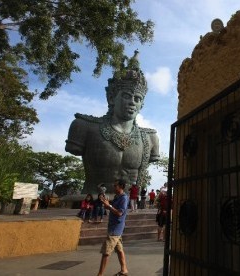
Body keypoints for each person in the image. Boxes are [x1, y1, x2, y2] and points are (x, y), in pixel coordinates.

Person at [65, 51, 160, 194]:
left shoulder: (150, 138)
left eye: (137, 99)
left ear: (142, 105)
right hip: (93, 198)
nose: (132, 103)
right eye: (126, 96)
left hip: (129, 201)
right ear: (111, 98)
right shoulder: (84, 126)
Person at [97, 179, 129, 276]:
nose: (114, 187)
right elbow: (112, 208)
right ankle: (124, 270)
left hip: (116, 228)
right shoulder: (117, 197)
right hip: (114, 227)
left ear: (121, 186)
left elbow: (119, 212)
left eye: (115, 185)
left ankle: (100, 275)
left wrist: (109, 206)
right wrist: (107, 204)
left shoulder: (124, 198)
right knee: (119, 250)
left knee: (106, 252)